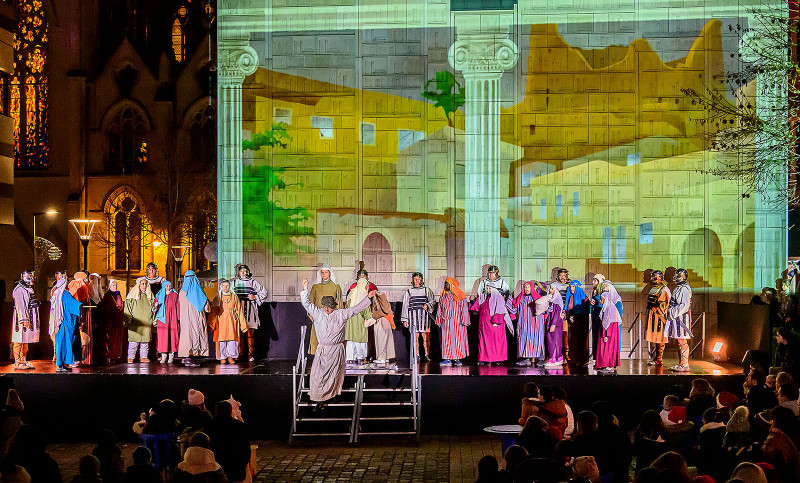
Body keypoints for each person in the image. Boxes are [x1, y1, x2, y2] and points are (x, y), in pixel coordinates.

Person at [299, 278, 375, 410]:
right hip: (323, 350)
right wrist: (305, 289)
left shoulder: (341, 314)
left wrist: (368, 298)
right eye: (325, 306)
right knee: (318, 376)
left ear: (333, 306)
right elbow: (306, 303)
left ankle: (331, 397)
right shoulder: (318, 313)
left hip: (336, 350)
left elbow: (356, 309)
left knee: (334, 376)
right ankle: (318, 400)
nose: (327, 309)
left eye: (329, 307)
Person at [469, 268, 513, 365]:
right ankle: (484, 359)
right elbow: (478, 306)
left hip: (494, 324)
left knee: (496, 341)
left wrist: (496, 322)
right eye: (487, 288)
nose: (488, 290)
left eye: (492, 273)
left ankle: (497, 358)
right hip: (484, 325)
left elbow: (501, 309)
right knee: (484, 341)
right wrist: (473, 301)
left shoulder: (499, 293)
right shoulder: (484, 296)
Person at [232, 264, 267, 362]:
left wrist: (255, 297)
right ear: (239, 272)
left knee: (250, 332)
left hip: (250, 309)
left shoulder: (253, 282)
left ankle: (250, 354)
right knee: (240, 333)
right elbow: (228, 292)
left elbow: (264, 292)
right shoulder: (234, 283)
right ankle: (240, 354)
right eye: (242, 271)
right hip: (239, 309)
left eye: (246, 271)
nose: (244, 273)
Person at [209, 400, 250, 483]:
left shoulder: (210, 426)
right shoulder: (239, 425)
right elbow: (246, 447)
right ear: (230, 411)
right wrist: (244, 463)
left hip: (217, 467)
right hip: (236, 467)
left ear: (216, 411)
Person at [507, 281, 546, 366]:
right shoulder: (520, 298)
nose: (527, 289)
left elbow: (545, 309)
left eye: (528, 287)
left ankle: (540, 359)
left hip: (535, 323)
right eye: (525, 287)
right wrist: (507, 299)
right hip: (524, 323)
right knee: (524, 340)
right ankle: (526, 359)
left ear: (532, 288)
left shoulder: (537, 298)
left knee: (537, 340)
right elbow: (513, 310)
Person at [307, 264, 343, 355]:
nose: (324, 274)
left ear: (329, 273)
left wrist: (339, 317)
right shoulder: (316, 287)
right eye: (322, 272)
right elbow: (311, 301)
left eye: (326, 272)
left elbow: (339, 302)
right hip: (318, 316)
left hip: (331, 317)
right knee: (317, 338)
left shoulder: (335, 287)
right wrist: (310, 314)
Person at [209, 279, 247, 364]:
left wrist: (243, 325)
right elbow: (213, 310)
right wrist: (211, 323)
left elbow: (239, 311)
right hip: (221, 320)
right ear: (221, 287)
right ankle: (223, 357)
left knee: (232, 339)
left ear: (230, 287)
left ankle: (231, 357)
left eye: (227, 286)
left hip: (232, 320)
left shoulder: (234, 297)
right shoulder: (218, 296)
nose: (225, 288)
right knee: (222, 339)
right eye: (223, 286)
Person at [178, 270, 210, 367]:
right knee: (194, 336)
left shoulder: (182, 293)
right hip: (196, 318)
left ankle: (186, 356)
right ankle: (190, 356)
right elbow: (207, 307)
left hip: (186, 320)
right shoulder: (199, 291)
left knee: (187, 337)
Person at [400, 272, 435, 362]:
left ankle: (427, 354)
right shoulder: (409, 291)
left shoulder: (427, 290)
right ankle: (416, 355)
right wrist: (405, 320)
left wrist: (428, 305)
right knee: (414, 338)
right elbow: (405, 305)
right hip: (413, 318)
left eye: (418, 279)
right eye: (415, 279)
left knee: (426, 338)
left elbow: (432, 301)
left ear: (421, 280)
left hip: (424, 318)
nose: (416, 281)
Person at [435, 277, 469, 366]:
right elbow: (440, 309)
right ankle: (448, 359)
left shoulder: (460, 295)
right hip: (446, 323)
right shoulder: (443, 296)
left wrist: (465, 321)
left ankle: (457, 358)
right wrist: (439, 321)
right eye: (444, 284)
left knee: (457, 340)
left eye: (446, 284)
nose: (444, 285)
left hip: (457, 323)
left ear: (451, 285)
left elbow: (464, 309)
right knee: (446, 341)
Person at [344, 270, 376, 364]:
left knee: (351, 340)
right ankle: (360, 357)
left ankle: (350, 358)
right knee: (360, 340)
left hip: (350, 323)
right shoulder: (363, 297)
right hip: (360, 324)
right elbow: (367, 314)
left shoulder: (351, 295)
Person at [666, 269, 693, 372]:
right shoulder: (679, 288)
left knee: (682, 341)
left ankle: (685, 365)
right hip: (677, 317)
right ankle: (682, 363)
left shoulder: (684, 289)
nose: (675, 277)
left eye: (677, 276)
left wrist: (672, 311)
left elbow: (684, 305)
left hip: (682, 318)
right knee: (680, 341)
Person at [11, 270, 39, 370]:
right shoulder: (19, 290)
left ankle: (23, 361)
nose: (32, 279)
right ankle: (17, 362)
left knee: (25, 340)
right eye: (30, 277)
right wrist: (24, 319)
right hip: (22, 318)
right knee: (19, 340)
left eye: (33, 277)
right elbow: (20, 305)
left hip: (29, 315)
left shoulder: (28, 289)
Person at [124, 277, 154, 363]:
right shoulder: (132, 297)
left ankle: (144, 357)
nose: (144, 286)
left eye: (145, 284)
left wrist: (153, 320)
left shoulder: (149, 297)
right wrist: (128, 319)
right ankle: (131, 357)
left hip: (146, 322)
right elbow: (127, 309)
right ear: (138, 285)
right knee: (133, 341)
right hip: (135, 323)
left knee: (145, 341)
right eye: (142, 284)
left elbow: (153, 309)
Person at [595, 280, 622, 372]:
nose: (600, 301)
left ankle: (607, 364)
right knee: (610, 347)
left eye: (601, 299)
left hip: (608, 333)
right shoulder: (609, 307)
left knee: (607, 347)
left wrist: (605, 335)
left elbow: (607, 323)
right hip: (610, 332)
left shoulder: (609, 308)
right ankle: (609, 364)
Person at [645, 270, 671, 366]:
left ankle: (659, 359)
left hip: (659, 316)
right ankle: (657, 358)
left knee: (660, 337)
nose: (652, 278)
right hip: (653, 315)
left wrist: (657, 308)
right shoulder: (653, 288)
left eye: (654, 276)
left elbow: (665, 303)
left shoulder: (664, 289)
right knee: (656, 337)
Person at [55, 288, 84, 372]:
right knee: (65, 344)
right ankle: (61, 365)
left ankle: (61, 365)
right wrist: (80, 305)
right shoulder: (65, 294)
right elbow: (72, 304)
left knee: (60, 344)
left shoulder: (56, 294)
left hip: (58, 323)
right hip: (65, 323)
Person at [564, 279, 591, 366]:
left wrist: (576, 314)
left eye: (573, 286)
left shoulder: (583, 297)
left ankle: (582, 360)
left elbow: (585, 309)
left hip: (581, 323)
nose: (572, 288)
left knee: (581, 341)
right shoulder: (570, 297)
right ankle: (573, 359)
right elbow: (567, 308)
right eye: (571, 286)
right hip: (572, 324)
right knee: (572, 340)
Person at [153, 280, 180, 363]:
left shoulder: (175, 295)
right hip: (162, 320)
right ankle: (163, 356)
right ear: (164, 287)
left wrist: (179, 318)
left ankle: (171, 356)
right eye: (166, 286)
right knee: (163, 337)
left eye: (169, 286)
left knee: (172, 336)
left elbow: (178, 307)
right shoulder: (159, 295)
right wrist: (155, 306)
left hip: (172, 319)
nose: (168, 287)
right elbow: (154, 308)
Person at [367, 287, 395, 364]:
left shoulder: (375, 297)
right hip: (387, 319)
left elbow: (377, 310)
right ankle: (387, 357)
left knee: (380, 339)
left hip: (381, 319)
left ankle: (381, 358)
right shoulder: (383, 296)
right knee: (387, 340)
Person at [99, 279, 125, 363]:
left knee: (118, 339)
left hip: (118, 320)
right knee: (111, 340)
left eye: (116, 285)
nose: (115, 287)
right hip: (110, 321)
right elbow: (106, 309)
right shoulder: (107, 296)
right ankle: (110, 355)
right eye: (113, 285)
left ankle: (116, 355)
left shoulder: (118, 295)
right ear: (109, 286)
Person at [550, 269, 571, 361]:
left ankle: (566, 353)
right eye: (561, 275)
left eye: (564, 275)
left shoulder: (570, 285)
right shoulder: (554, 285)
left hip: (567, 311)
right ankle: (555, 354)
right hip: (556, 310)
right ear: (557, 276)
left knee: (566, 333)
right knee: (556, 333)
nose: (563, 277)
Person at [48, 271, 68, 363]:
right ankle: (56, 354)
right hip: (56, 314)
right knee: (56, 333)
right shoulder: (54, 290)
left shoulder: (66, 290)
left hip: (65, 314)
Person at [544, 287, 566, 367]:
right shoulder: (550, 301)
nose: (550, 290)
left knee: (555, 341)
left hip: (555, 324)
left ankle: (556, 358)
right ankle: (554, 358)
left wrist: (553, 324)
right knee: (550, 341)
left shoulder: (557, 302)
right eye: (550, 289)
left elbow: (557, 314)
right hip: (550, 323)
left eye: (552, 289)